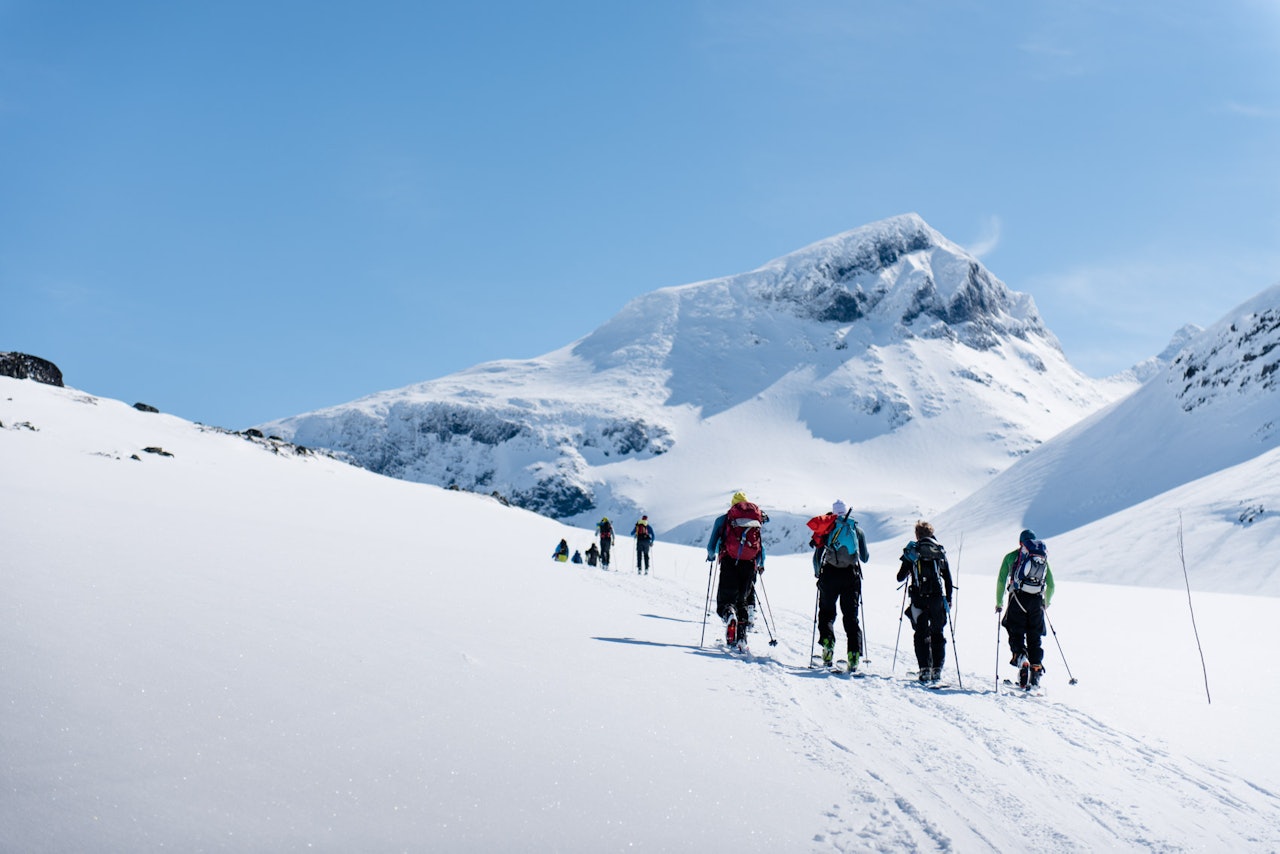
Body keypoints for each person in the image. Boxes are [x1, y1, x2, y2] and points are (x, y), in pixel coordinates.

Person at [807, 500, 870, 670]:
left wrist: (817, 573)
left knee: (826, 613)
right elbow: (865, 557)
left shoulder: (827, 528)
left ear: (833, 513)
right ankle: (854, 655)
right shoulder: (856, 529)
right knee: (851, 617)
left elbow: (817, 556)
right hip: (851, 575)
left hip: (829, 574)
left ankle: (828, 644)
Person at [996, 529, 1056, 689]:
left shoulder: (1011, 557)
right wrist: (1046, 602)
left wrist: (999, 602)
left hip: (1017, 599)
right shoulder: (1042, 559)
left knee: (1015, 631)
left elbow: (1002, 580)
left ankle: (1022, 659)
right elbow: (1051, 584)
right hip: (1036, 601)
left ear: (1020, 542)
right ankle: (1035, 673)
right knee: (1034, 635)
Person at [707, 492, 766, 651]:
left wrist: (711, 555)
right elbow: (760, 545)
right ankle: (741, 638)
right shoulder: (754, 519)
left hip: (729, 561)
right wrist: (761, 562)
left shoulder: (723, 519)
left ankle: (729, 615)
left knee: (726, 599)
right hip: (749, 564)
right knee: (743, 600)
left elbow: (711, 545)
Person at [896, 521, 954, 682]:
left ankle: (924, 669)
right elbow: (948, 578)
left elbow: (899, 577)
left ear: (917, 534)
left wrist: (909, 567)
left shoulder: (913, 550)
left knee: (920, 634)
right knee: (937, 633)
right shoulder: (939, 550)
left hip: (918, 598)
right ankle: (937, 669)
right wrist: (949, 600)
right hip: (936, 598)